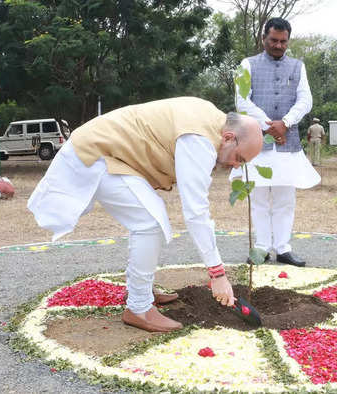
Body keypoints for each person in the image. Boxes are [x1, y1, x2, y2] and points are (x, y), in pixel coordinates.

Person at [27, 97, 263, 332]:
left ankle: (142, 291)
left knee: (150, 218)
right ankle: (139, 307)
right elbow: (195, 211)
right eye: (239, 158)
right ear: (229, 138)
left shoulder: (210, 119)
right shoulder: (199, 138)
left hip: (110, 153)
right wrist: (217, 274)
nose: (235, 165)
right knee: (150, 223)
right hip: (99, 154)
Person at [231, 17, 320, 267]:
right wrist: (270, 124)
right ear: (264, 39)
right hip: (256, 142)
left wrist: (286, 123)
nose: (279, 46)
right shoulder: (246, 65)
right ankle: (260, 248)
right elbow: (242, 101)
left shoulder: (298, 66)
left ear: (288, 41)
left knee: (284, 199)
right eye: (274, 40)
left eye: (283, 41)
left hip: (287, 142)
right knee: (258, 198)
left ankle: (283, 248)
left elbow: (305, 100)